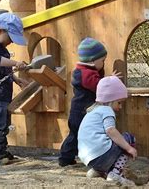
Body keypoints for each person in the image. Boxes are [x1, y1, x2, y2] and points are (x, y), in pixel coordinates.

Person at [58, 37, 118, 167]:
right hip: (81, 111)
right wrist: (111, 80)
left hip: (81, 109)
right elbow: (98, 86)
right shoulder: (86, 73)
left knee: (76, 135)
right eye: (102, 61)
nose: (104, 63)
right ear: (92, 60)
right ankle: (65, 158)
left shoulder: (86, 71)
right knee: (77, 134)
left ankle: (68, 157)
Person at [0, 12, 29, 165]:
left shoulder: (2, 47)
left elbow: (4, 71)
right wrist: (16, 63)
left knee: (3, 125)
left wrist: (16, 80)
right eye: (10, 37)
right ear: (0, 31)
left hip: (4, 93)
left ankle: (0, 150)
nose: (11, 42)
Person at [78, 76, 137, 186]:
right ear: (110, 100)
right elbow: (111, 131)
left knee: (110, 143)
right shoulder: (107, 110)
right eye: (119, 102)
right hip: (101, 155)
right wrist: (129, 148)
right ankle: (115, 173)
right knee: (128, 138)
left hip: (89, 158)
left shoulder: (92, 112)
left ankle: (98, 170)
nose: (121, 106)